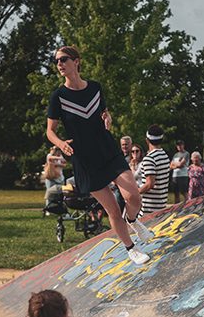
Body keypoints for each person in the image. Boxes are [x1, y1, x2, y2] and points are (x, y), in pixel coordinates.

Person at [45, 45, 153, 264]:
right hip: (84, 159)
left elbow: (103, 111)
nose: (59, 64)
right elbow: (50, 131)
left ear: (76, 61)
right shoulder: (58, 97)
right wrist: (61, 143)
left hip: (107, 149)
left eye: (63, 59)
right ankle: (131, 248)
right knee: (112, 208)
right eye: (56, 61)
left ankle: (132, 219)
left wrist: (108, 117)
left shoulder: (95, 88)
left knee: (133, 196)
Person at [138, 125, 171, 215]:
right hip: (161, 205)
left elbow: (150, 184)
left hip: (148, 209)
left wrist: (135, 192)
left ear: (147, 140)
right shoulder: (165, 156)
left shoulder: (149, 158)